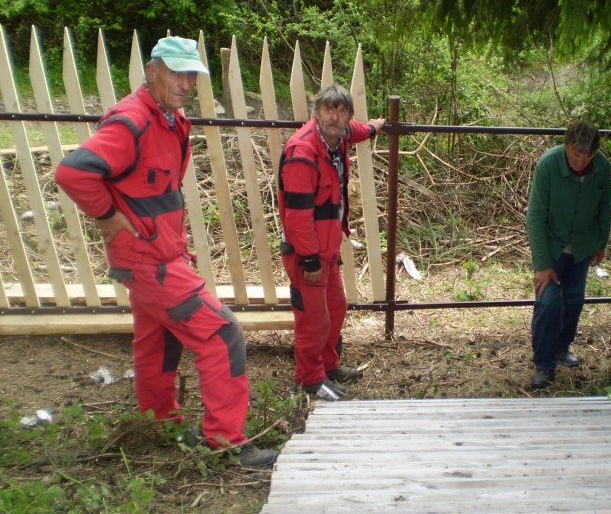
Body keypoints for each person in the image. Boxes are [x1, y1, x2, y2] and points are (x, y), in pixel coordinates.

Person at [54, 36, 278, 467]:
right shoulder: (132, 122)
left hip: (160, 257)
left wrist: (168, 242)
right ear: (152, 70)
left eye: (191, 74)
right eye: (177, 72)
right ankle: (225, 439)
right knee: (221, 333)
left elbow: (153, 191)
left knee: (158, 342)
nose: (186, 83)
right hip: (146, 263)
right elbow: (73, 172)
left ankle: (161, 424)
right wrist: (107, 217)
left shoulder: (174, 123)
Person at [278, 84, 385, 400]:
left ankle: (327, 365)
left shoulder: (338, 136)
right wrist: (309, 259)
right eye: (328, 110)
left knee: (335, 308)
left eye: (341, 111)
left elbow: (358, 130)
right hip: (305, 252)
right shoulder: (303, 153)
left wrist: (375, 128)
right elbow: (296, 218)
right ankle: (309, 379)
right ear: (317, 113)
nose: (335, 117)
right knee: (314, 320)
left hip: (327, 247)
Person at [526, 120, 611, 389]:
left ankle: (562, 348)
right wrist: (542, 265)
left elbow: (604, 206)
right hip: (552, 246)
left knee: (573, 302)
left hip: (582, 247)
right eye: (576, 154)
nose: (581, 161)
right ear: (566, 147)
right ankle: (544, 364)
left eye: (588, 156)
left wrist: (601, 241)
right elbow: (536, 216)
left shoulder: (602, 166)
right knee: (548, 304)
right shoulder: (549, 164)